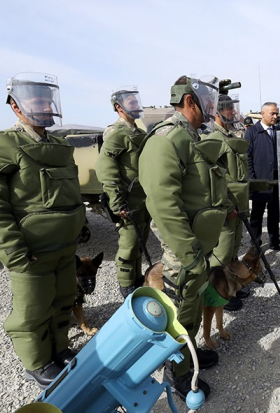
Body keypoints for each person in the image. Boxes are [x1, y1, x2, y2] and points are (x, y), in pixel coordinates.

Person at [0, 73, 89, 388]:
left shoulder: (59, 145)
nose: (44, 104)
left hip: (64, 247)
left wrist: (81, 223)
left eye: (45, 98)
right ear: (15, 105)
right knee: (33, 310)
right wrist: (12, 251)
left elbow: (70, 192)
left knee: (64, 298)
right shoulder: (0, 147)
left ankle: (59, 348)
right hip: (32, 252)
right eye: (35, 99)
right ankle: (37, 362)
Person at [139, 75, 233, 400]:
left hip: (196, 246)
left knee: (191, 305)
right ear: (189, 101)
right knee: (180, 311)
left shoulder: (192, 137)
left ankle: (189, 357)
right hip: (183, 250)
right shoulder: (166, 139)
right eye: (205, 100)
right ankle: (177, 375)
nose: (211, 107)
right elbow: (164, 205)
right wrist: (190, 253)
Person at [95, 86, 148, 298]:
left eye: (137, 102)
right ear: (119, 107)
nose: (136, 106)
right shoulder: (115, 133)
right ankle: (126, 287)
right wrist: (118, 203)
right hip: (128, 201)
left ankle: (137, 278)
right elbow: (107, 170)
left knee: (139, 242)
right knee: (128, 244)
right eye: (131, 103)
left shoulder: (140, 133)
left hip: (142, 200)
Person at [205, 92, 251, 312]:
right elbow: (212, 180)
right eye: (228, 109)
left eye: (233, 108)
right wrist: (225, 206)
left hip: (237, 207)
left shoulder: (230, 135)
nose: (233, 112)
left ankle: (231, 287)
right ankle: (215, 296)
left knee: (233, 251)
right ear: (217, 111)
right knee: (221, 255)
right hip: (226, 209)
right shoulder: (214, 138)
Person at [245, 102, 280, 250]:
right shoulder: (253, 132)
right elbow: (247, 157)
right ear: (263, 114)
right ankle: (255, 244)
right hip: (259, 182)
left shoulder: (278, 131)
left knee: (274, 214)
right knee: (257, 215)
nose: (275, 116)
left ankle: (274, 241)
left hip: (275, 181)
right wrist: (252, 180)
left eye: (276, 113)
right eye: (272, 113)